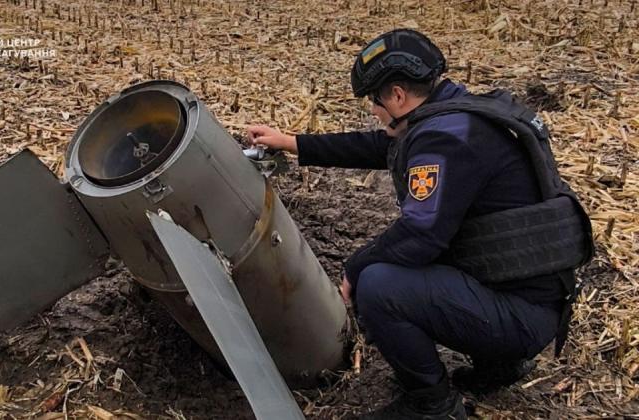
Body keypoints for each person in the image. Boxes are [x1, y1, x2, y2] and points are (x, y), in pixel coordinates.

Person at [247, 29, 593, 420]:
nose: (374, 113)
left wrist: (355, 269)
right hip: (531, 296)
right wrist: (293, 142)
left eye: (373, 102)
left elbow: (420, 237)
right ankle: (499, 364)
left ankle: (433, 405)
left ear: (397, 95)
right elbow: (383, 148)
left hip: (522, 316)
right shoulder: (457, 114)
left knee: (378, 285)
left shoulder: (444, 140)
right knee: (409, 265)